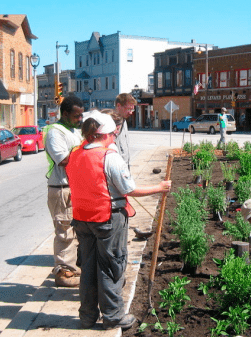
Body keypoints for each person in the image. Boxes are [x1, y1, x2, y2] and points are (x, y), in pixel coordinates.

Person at [66, 111, 172, 330]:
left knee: (88, 267)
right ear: (104, 134)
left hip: (82, 219)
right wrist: (159, 187)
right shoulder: (108, 157)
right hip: (107, 217)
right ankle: (113, 316)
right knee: (111, 266)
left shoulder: (75, 154)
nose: (115, 137)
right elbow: (129, 189)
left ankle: (87, 317)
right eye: (113, 134)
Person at [43, 95, 84, 287]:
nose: (80, 119)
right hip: (61, 188)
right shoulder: (55, 132)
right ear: (65, 113)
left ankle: (72, 268)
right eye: (77, 116)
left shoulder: (73, 131)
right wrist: (86, 153)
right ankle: (63, 273)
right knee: (64, 231)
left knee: (74, 232)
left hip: (73, 187)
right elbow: (64, 160)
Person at [114, 93, 136, 169]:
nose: (131, 112)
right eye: (128, 109)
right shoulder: (110, 125)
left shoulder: (124, 121)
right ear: (118, 106)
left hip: (124, 168)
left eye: (132, 109)